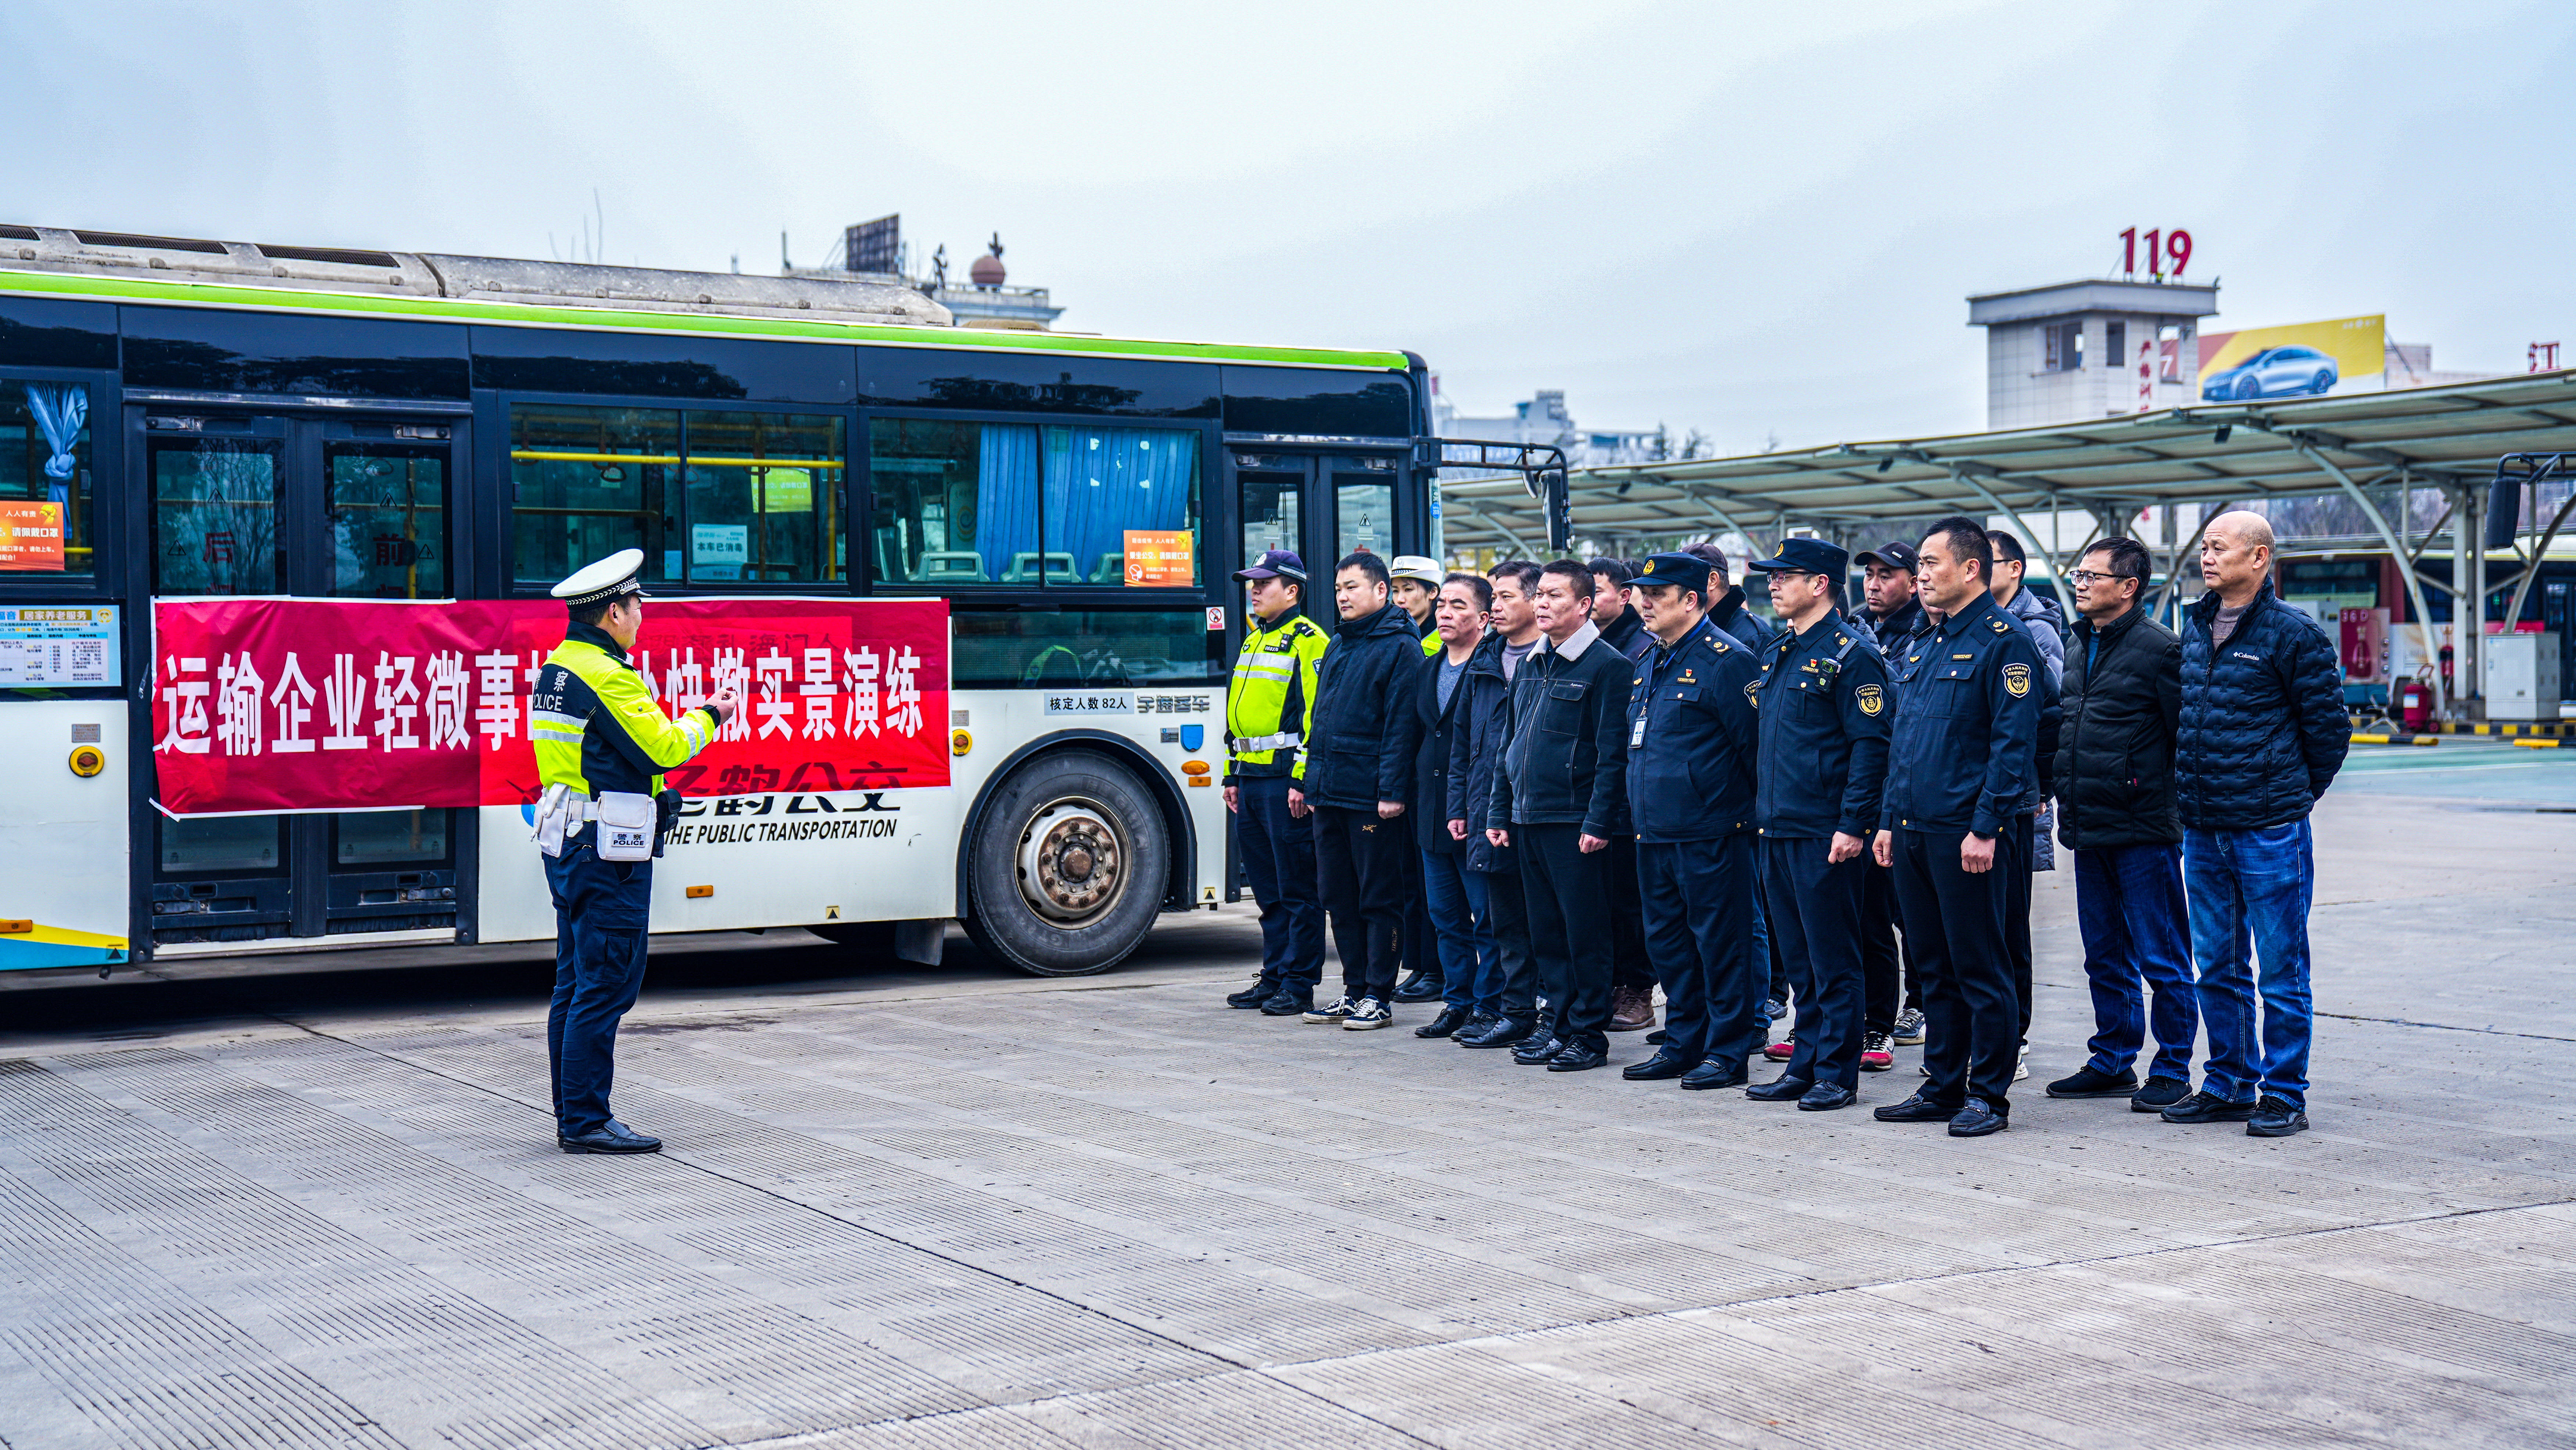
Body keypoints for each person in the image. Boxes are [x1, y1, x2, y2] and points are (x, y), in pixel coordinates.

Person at [530, 549, 739, 1154]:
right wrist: (714, 713)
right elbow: (664, 747)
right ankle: (586, 1120)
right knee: (605, 982)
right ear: (615, 612)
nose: (642, 612)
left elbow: (595, 759)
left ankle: (574, 1113)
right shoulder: (607, 674)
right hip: (606, 853)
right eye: (637, 603)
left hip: (569, 841)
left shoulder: (558, 667)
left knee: (575, 982)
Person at [2167, 510, 2348, 1137]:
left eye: (2220, 548)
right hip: (2202, 825)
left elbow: (2328, 733)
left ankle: (2283, 1092)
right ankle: (2226, 1081)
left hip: (2267, 828)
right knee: (2214, 963)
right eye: (2205, 547)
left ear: (2259, 557)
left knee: (2279, 966)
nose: (2207, 557)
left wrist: (2288, 796)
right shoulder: (2193, 626)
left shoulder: (2290, 634)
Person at [1870, 517, 2047, 1138]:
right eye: (1917, 564)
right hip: (1915, 828)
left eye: (1930, 562)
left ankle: (1987, 1094)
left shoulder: (2005, 640)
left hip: (1967, 834)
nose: (1920, 574)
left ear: (1970, 568)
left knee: (1980, 964)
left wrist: (1986, 824)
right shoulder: (1925, 642)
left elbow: (2012, 742)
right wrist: (1890, 819)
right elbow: (1903, 742)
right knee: (1933, 965)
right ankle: (1941, 1083)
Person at [2044, 537, 2195, 1112]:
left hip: (2143, 832)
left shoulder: (2162, 650)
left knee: (2163, 955)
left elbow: (2184, 739)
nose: (2080, 584)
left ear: (2129, 587)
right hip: (2089, 826)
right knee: (2103, 953)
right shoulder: (2080, 643)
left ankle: (2174, 1066)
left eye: (2092, 576)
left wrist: (2168, 811)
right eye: (2077, 574)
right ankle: (2112, 1059)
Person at [1614, 552, 1763, 1092]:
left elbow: (1754, 752)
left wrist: (1735, 819)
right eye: (1640, 593)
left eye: (1658, 594)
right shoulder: (1652, 659)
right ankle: (1683, 1043)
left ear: (1693, 600)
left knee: (1721, 947)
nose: (1644, 602)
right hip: (1654, 833)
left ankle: (1727, 1052)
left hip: (1712, 832)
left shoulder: (1729, 660)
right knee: (1670, 947)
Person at [1488, 560, 1632, 1072]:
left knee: (1584, 933)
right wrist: (1499, 811)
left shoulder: (1608, 666)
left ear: (1585, 605)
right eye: (1540, 595)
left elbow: (1613, 756)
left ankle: (1589, 1036)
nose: (1541, 604)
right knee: (1546, 932)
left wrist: (1598, 822)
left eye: (1554, 596)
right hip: (1529, 818)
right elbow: (1511, 744)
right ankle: (1560, 1025)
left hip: (1575, 824)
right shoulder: (1531, 663)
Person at [1298, 551, 1426, 1031]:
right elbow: (1322, 723)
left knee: (1379, 898)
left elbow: (1401, 729)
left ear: (1382, 592)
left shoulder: (1400, 648)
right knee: (1338, 896)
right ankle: (1353, 991)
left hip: (1372, 797)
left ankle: (1379, 994)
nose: (1343, 597)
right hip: (1330, 793)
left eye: (1352, 587)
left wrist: (1392, 792)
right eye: (1338, 589)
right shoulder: (1338, 645)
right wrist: (1312, 784)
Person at [1221, 549, 1330, 1016]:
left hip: (1285, 781)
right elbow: (1240, 717)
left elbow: (1315, 716)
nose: (1254, 590)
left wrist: (1303, 779)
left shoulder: (1309, 640)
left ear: (1293, 591)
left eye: (1264, 583)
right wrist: (1231, 772)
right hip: (1251, 781)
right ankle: (1274, 975)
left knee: (1298, 891)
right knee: (1268, 892)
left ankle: (1300, 983)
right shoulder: (1254, 640)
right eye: (1252, 582)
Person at [1447, 561, 1545, 1049]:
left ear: (1535, 599)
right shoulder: (1485, 660)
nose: (1497, 607)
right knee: (1501, 921)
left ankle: (1554, 1013)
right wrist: (1458, 807)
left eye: (1506, 597)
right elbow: (1464, 745)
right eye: (1495, 598)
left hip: (1540, 815)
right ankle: (1516, 1011)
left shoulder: (1550, 660)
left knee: (1548, 921)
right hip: (1489, 813)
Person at [1396, 573, 1496, 1040]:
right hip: (1431, 812)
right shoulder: (1428, 667)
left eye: (1459, 605)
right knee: (1446, 918)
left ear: (1483, 616)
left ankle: (1490, 1004)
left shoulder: (1492, 667)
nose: (1446, 613)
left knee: (1486, 918)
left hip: (1475, 813)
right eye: (1443, 605)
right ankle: (1458, 1002)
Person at [1986, 528, 2066, 1083]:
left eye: (1983, 562)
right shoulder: (1951, 628)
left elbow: (2045, 715)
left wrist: (2035, 789)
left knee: (2010, 926)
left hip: (2016, 803)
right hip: (1974, 805)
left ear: (2014, 570)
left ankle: (2013, 1040)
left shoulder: (2031, 632)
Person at [1854, 539, 1927, 1052]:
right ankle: (1879, 1011)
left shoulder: (1927, 630)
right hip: (1867, 797)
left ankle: (1919, 1002)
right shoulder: (1859, 629)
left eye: (1887, 575)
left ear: (1913, 581)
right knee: (1875, 913)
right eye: (1870, 575)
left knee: (1914, 914)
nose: (1875, 584)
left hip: (1907, 795)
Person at [1388, 554, 1447, 1004]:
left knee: (1434, 885)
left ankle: (1437, 968)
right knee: (1408, 877)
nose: (1403, 598)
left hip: (1431, 775)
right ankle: (1421, 964)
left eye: (1412, 590)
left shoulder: (1436, 644)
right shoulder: (1398, 638)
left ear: (1433, 594)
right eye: (1396, 590)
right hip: (1404, 774)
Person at [1588, 556, 1647, 657]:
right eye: (1584, 592)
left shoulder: (1644, 648)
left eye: (1596, 592)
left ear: (1624, 597)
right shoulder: (1575, 641)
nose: (1587, 599)